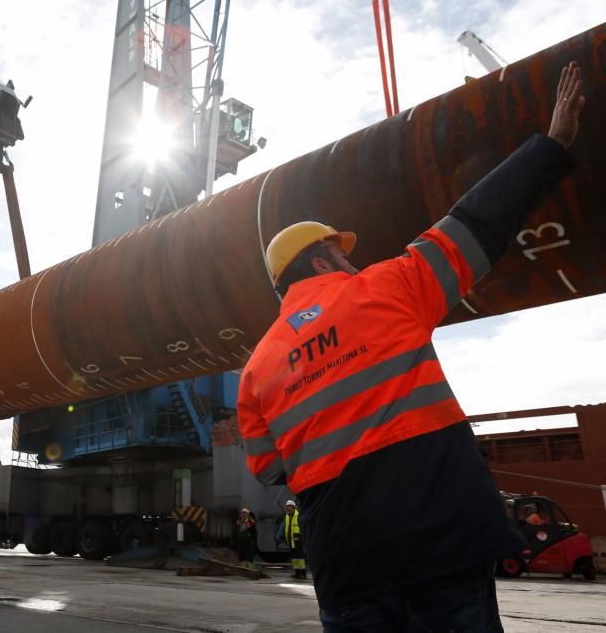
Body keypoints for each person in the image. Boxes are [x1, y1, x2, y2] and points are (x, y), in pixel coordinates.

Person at [237, 62, 585, 631]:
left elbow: (271, 470)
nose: (353, 261)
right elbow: (476, 222)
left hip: (347, 567)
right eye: (343, 254)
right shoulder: (387, 287)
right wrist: (551, 144)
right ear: (323, 260)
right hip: (439, 542)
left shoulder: (256, 372)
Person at [283, 500, 307, 579]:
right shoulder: (287, 516)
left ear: (293, 507)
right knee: (294, 558)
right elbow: (287, 528)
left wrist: (301, 536)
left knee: (300, 557)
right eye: (287, 507)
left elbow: (302, 527)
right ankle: (297, 572)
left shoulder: (298, 515)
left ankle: (303, 573)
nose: (288, 508)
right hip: (291, 539)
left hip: (298, 539)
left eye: (289, 507)